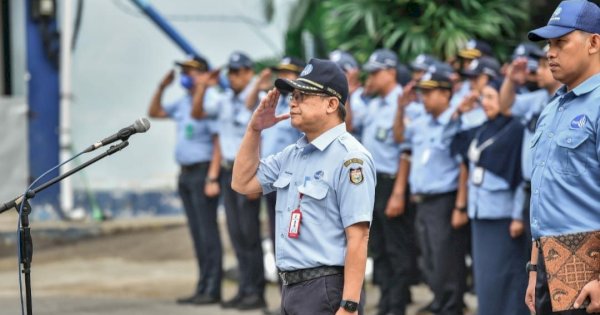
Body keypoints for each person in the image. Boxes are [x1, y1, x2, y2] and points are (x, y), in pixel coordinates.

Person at [231, 58, 376, 315]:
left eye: (303, 95)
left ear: (332, 104)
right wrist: (254, 129)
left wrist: (350, 305)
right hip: (291, 288)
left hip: (326, 288)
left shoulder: (351, 159)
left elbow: (358, 236)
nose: (292, 101)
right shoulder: (293, 154)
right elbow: (242, 183)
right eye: (293, 94)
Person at [525, 0, 600, 313]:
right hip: (547, 267)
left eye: (561, 42)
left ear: (594, 42)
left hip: (588, 274)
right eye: (548, 44)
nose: (550, 52)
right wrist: (533, 269)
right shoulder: (553, 108)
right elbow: (544, 198)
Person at [193, 51, 267, 310]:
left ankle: (256, 291)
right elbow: (199, 112)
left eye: (239, 72)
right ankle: (244, 288)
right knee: (236, 234)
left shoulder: (259, 99)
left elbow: (262, 140)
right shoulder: (224, 100)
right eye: (231, 72)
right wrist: (202, 87)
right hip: (227, 171)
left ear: (249, 72)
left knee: (250, 234)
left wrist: (258, 178)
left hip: (247, 173)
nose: (233, 77)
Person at [147, 56, 223, 305]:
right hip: (186, 173)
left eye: (190, 71)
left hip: (203, 173)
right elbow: (155, 112)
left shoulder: (212, 100)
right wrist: (161, 86)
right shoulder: (184, 102)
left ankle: (213, 288)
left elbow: (217, 142)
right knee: (196, 233)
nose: (185, 75)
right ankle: (202, 285)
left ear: (203, 74)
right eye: (184, 71)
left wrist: (213, 176)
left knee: (208, 232)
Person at [452, 80, 530, 315]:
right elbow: (456, 142)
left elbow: (521, 177)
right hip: (480, 213)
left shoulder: (516, 129)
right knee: (486, 280)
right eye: (483, 97)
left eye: (491, 97)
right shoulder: (484, 127)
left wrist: (517, 215)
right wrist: (461, 113)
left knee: (507, 277)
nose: (485, 103)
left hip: (503, 217)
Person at [397, 66, 469, 315]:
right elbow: (400, 141)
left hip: (444, 199)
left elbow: (463, 166)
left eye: (429, 92)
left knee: (445, 257)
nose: (423, 97)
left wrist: (460, 205)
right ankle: (440, 300)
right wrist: (400, 108)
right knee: (428, 256)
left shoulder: (457, 120)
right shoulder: (421, 123)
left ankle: (451, 305)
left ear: (445, 94)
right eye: (422, 92)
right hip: (423, 199)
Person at [356, 49, 414, 315]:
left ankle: (397, 306)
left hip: (392, 183)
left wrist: (399, 192)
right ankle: (386, 303)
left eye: (376, 72)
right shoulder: (373, 103)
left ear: (391, 72)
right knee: (378, 249)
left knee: (396, 250)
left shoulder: (404, 104)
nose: (372, 77)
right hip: (371, 184)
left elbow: (406, 152)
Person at [499, 44, 562, 250]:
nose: (539, 72)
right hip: (531, 190)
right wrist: (510, 80)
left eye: (544, 66)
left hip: (555, 192)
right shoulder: (537, 99)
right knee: (535, 259)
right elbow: (505, 105)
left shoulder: (571, 100)